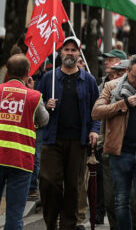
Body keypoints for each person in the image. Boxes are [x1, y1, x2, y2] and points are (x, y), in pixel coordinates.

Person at [92, 54, 136, 230]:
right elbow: (96, 112)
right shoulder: (111, 87)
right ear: (127, 70)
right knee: (121, 200)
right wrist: (122, 103)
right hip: (120, 152)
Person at [36, 48, 101, 230]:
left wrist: (95, 130)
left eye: (74, 50)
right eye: (66, 50)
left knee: (73, 187)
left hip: (77, 141)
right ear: (61, 53)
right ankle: (51, 223)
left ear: (79, 54)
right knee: (49, 183)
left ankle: (68, 226)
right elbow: (36, 104)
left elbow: (96, 110)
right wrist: (46, 106)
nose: (70, 53)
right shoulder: (49, 78)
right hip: (52, 139)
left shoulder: (88, 80)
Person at [0, 55, 49, 230]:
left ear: (7, 70)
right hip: (21, 161)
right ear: (28, 73)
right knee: (14, 214)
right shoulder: (34, 96)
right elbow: (44, 120)